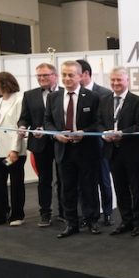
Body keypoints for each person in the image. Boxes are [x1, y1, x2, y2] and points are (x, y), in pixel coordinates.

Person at [44, 60, 103, 238]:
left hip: (86, 150)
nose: (67, 78)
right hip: (63, 149)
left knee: (89, 187)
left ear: (80, 76)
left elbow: (99, 123)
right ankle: (71, 223)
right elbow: (47, 121)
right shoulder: (53, 97)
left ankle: (92, 221)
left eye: (71, 75)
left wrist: (84, 132)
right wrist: (56, 135)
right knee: (67, 188)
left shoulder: (92, 97)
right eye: (64, 75)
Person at [99, 67, 139, 237]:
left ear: (127, 81)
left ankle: (138, 222)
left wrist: (121, 133)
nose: (115, 83)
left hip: (132, 151)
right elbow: (99, 122)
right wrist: (104, 134)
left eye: (119, 80)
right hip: (112, 151)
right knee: (120, 188)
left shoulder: (138, 101)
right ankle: (126, 221)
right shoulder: (104, 100)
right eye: (113, 80)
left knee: (136, 188)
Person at [18, 63, 63, 227]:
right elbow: (24, 118)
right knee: (44, 180)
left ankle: (64, 212)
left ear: (55, 76)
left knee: (64, 179)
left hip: (61, 142)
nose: (41, 78)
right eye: (39, 76)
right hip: (39, 144)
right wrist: (22, 126)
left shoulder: (65, 93)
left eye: (45, 75)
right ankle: (45, 213)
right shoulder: (29, 95)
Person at [77, 59, 114, 226]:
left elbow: (106, 119)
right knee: (85, 182)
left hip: (100, 143)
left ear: (85, 74)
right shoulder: (73, 93)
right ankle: (89, 214)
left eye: (76, 74)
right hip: (80, 145)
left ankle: (107, 213)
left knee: (103, 180)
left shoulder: (104, 93)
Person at [0, 72, 27, 227]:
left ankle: (17, 215)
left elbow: (19, 126)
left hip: (13, 150)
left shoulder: (19, 99)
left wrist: (14, 150)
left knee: (16, 182)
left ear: (4, 83)